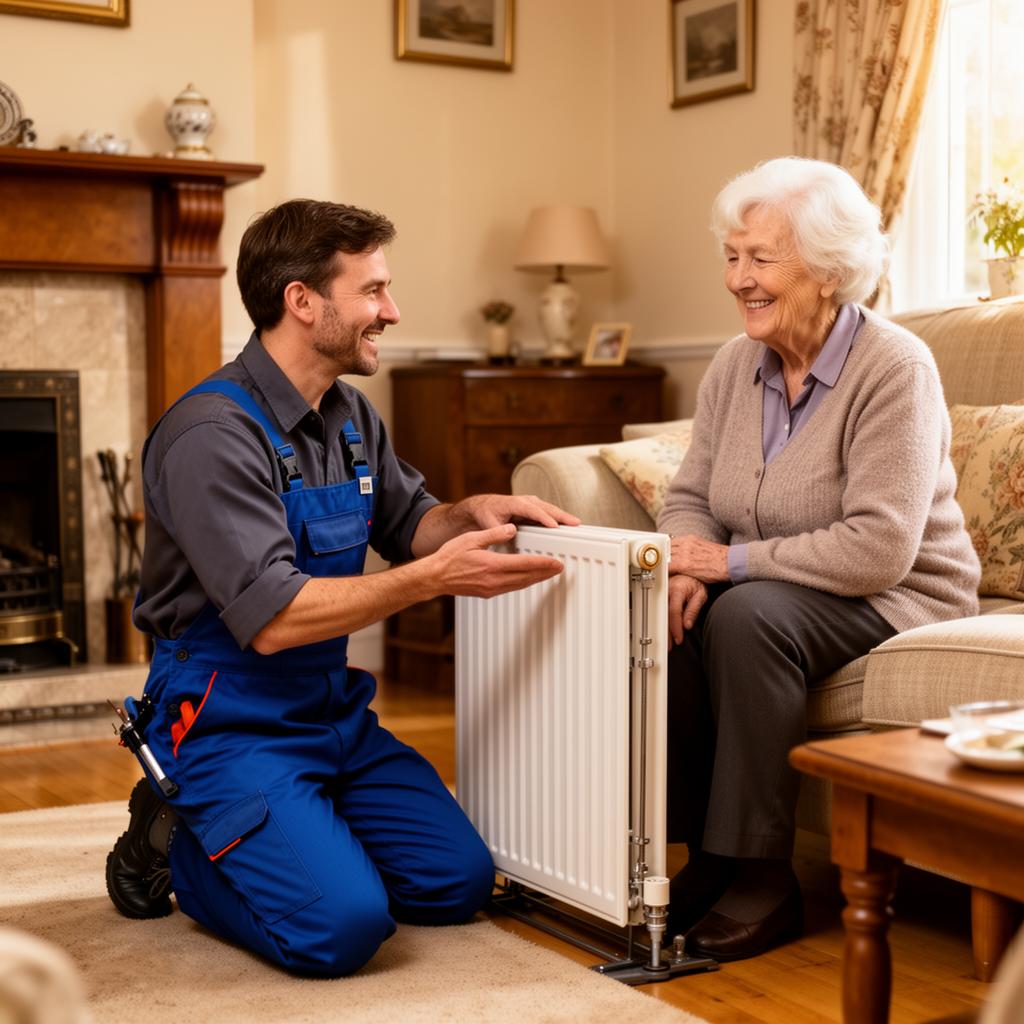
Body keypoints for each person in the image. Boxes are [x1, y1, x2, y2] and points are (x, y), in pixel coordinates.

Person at [104, 199, 579, 977]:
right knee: (340, 930)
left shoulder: (349, 413)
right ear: (302, 301)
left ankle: (295, 835)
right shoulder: (212, 435)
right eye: (373, 291)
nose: (391, 312)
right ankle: (177, 842)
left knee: (455, 883)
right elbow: (274, 620)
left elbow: (410, 522)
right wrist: (431, 581)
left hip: (330, 714)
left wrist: (470, 513)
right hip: (225, 721)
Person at [657, 157, 980, 961]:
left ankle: (764, 878)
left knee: (747, 615)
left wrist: (726, 564)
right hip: (791, 585)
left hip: (898, 593)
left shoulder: (894, 366)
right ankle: (708, 857)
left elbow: (878, 547)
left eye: (761, 259)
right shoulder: (735, 365)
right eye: (732, 256)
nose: (739, 279)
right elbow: (689, 495)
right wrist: (686, 565)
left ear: (830, 270)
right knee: (675, 613)